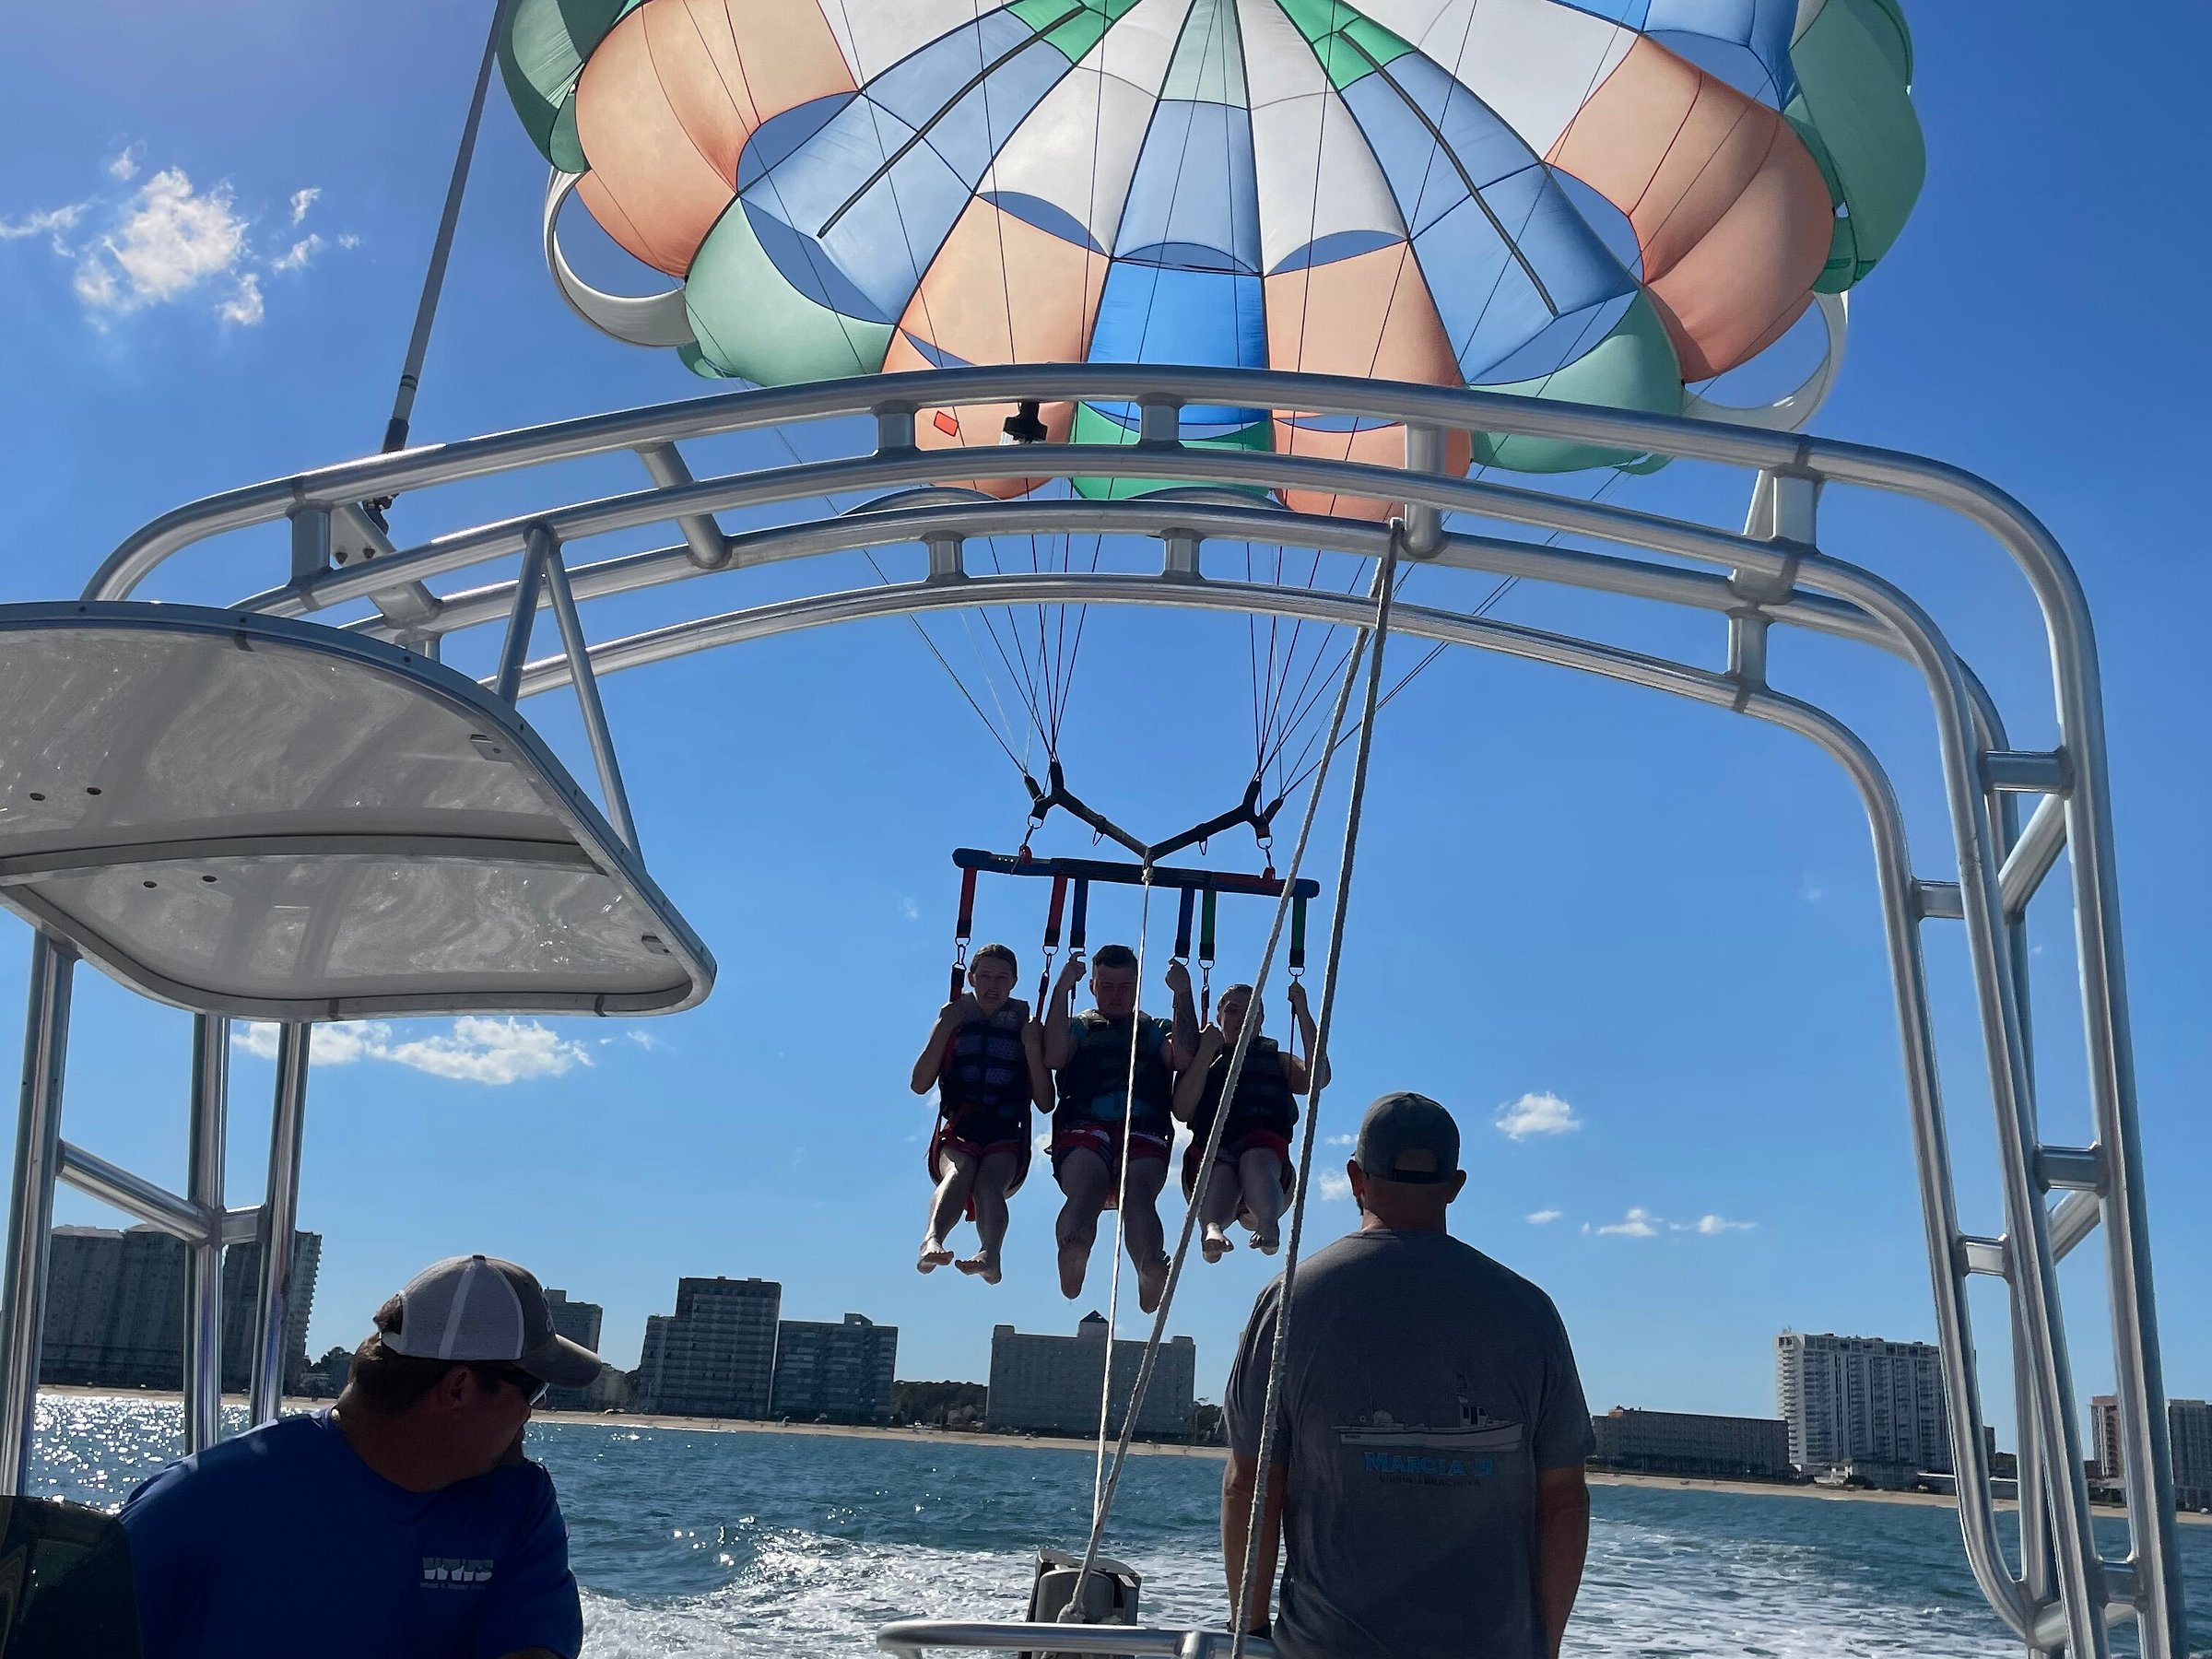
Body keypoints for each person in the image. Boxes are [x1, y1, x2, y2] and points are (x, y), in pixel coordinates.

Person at [1221, 1093, 1594, 1659]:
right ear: (1455, 1184)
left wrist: (1249, 1631)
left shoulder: (1290, 1300)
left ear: (1355, 1178)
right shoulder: (1531, 1312)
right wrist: (1544, 1649)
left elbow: (1250, 1482)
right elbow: (1564, 1499)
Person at [119, 1253, 599, 1659]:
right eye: (534, 1389)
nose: (538, 1411)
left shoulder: (518, 1504)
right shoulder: (196, 1505)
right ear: (458, 1388)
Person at [1042, 942, 1198, 1312]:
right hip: (1085, 1124)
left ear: (1137, 986)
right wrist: (1061, 989)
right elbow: (1053, 1055)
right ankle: (1075, 1246)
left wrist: (1184, 994)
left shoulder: (1157, 1028)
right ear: (1093, 986)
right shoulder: (1079, 1027)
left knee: (1138, 1195)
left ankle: (1147, 1266)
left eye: (1125, 986)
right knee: (1087, 1190)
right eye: (1107, 985)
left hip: (1143, 1126)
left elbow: (1184, 1056)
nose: (1115, 994)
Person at [910, 941, 1049, 1282]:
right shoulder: (954, 1016)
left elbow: (1046, 1101)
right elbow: (919, 1083)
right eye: (985, 976)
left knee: (989, 1183)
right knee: (959, 1172)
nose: (993, 985)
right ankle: (932, 1241)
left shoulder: (1025, 1023)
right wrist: (944, 1027)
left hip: (1004, 1131)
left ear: (1014, 982)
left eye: (1002, 978)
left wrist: (1032, 1045)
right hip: (960, 1126)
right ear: (971, 978)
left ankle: (990, 1254)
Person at [1171, 980, 1324, 1262]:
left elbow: (1319, 1077)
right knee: (1219, 1170)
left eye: (1252, 1011)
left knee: (1255, 1160)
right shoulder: (1206, 1060)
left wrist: (1302, 1010)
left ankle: (1268, 1222)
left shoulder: (1277, 1061)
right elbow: (1182, 1110)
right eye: (1233, 1010)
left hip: (1267, 1157)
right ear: (1218, 1017)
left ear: (1261, 1020)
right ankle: (1212, 1227)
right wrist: (1206, 1051)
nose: (1242, 1017)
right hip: (1212, 1153)